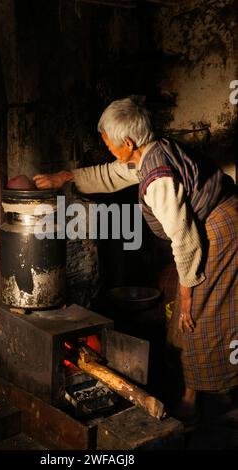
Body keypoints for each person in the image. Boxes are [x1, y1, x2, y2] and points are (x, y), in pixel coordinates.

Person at [33, 96, 238, 422]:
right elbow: (114, 174)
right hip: (215, 221)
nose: (108, 147)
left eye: (109, 143)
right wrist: (66, 177)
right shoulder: (151, 149)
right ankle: (210, 385)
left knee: (197, 309)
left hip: (223, 226)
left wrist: (187, 292)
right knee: (194, 299)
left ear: (128, 142)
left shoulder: (158, 178)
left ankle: (200, 398)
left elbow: (185, 240)